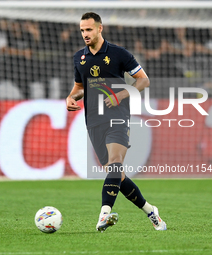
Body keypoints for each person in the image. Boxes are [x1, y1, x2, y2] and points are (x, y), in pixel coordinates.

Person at [66, 12, 167, 232]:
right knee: (117, 176)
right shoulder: (79, 57)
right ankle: (151, 210)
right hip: (93, 120)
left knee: (114, 163)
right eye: (82, 30)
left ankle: (104, 214)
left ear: (100, 29)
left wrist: (120, 95)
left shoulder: (118, 54)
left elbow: (143, 80)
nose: (85, 34)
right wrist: (70, 98)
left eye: (89, 29)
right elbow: (79, 87)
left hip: (117, 116)